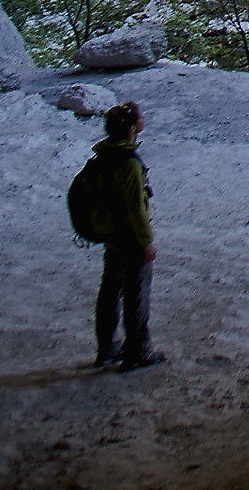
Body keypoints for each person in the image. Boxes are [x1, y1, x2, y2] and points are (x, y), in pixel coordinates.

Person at [91, 101, 165, 372]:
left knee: (110, 291)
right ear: (133, 128)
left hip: (111, 234)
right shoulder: (129, 163)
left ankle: (107, 348)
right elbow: (136, 208)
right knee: (136, 295)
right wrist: (145, 243)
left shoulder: (104, 156)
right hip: (130, 238)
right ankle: (138, 351)